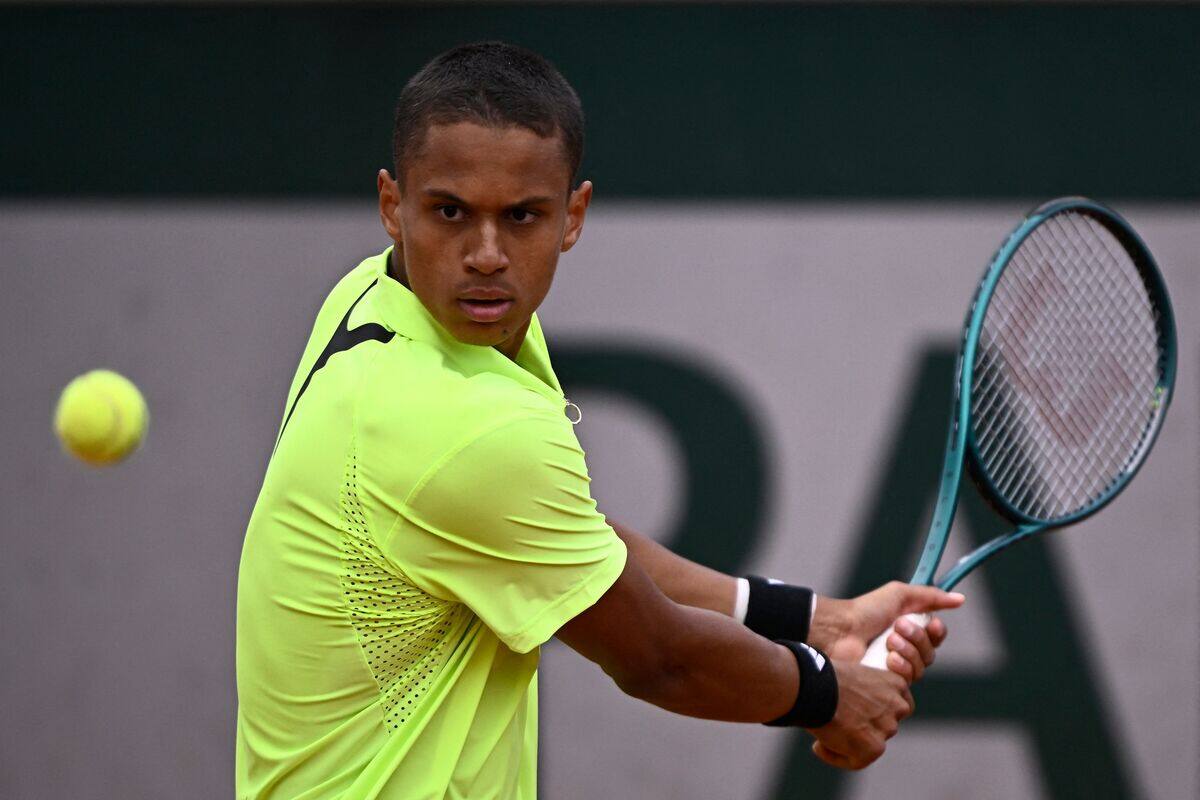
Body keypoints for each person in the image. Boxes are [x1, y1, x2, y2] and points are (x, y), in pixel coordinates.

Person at [234, 41, 964, 799]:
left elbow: (577, 539)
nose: (485, 255)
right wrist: (832, 696)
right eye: (450, 212)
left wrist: (817, 621)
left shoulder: (375, 300)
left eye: (521, 217)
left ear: (572, 215)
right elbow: (660, 657)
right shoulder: (464, 426)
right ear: (393, 205)